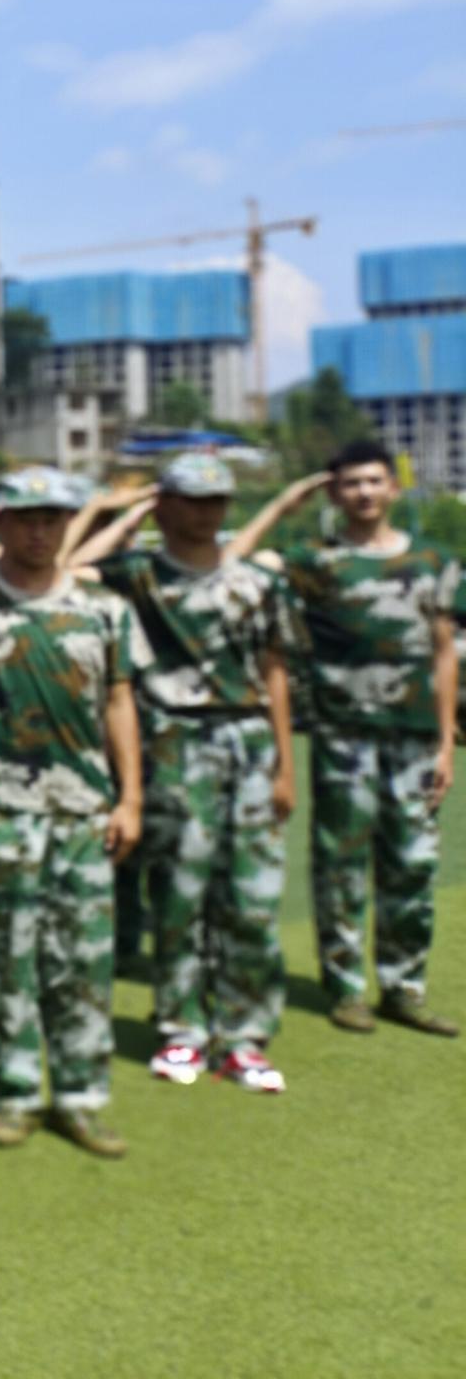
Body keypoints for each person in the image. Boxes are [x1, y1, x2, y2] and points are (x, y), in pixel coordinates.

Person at [0, 469, 146, 1158]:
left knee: (83, 960)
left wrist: (131, 796)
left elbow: (118, 701)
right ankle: (16, 1090)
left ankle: (80, 1095)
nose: (39, 530)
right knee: (8, 959)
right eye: (23, 517)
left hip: (82, 811)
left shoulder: (102, 608)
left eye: (52, 517)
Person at [80, 453, 301, 1091]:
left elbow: (276, 671)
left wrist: (285, 765)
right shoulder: (137, 575)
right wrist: (118, 512)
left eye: (216, 501)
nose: (204, 513)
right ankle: (182, 1031)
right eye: (189, 499)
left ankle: (245, 1035)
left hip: (250, 739)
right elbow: (65, 569)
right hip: (173, 742)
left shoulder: (259, 581)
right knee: (179, 892)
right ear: (165, 504)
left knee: (254, 896)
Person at [279, 440, 460, 1036]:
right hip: (343, 738)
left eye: (373, 481)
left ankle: (404, 988)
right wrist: (288, 499)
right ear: (333, 492)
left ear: (393, 488)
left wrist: (443, 743)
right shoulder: (314, 563)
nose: (363, 492)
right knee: (341, 864)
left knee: (412, 862)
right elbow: (235, 559)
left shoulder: (433, 560)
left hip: (412, 739)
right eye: (350, 483)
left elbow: (442, 652)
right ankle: (346, 987)